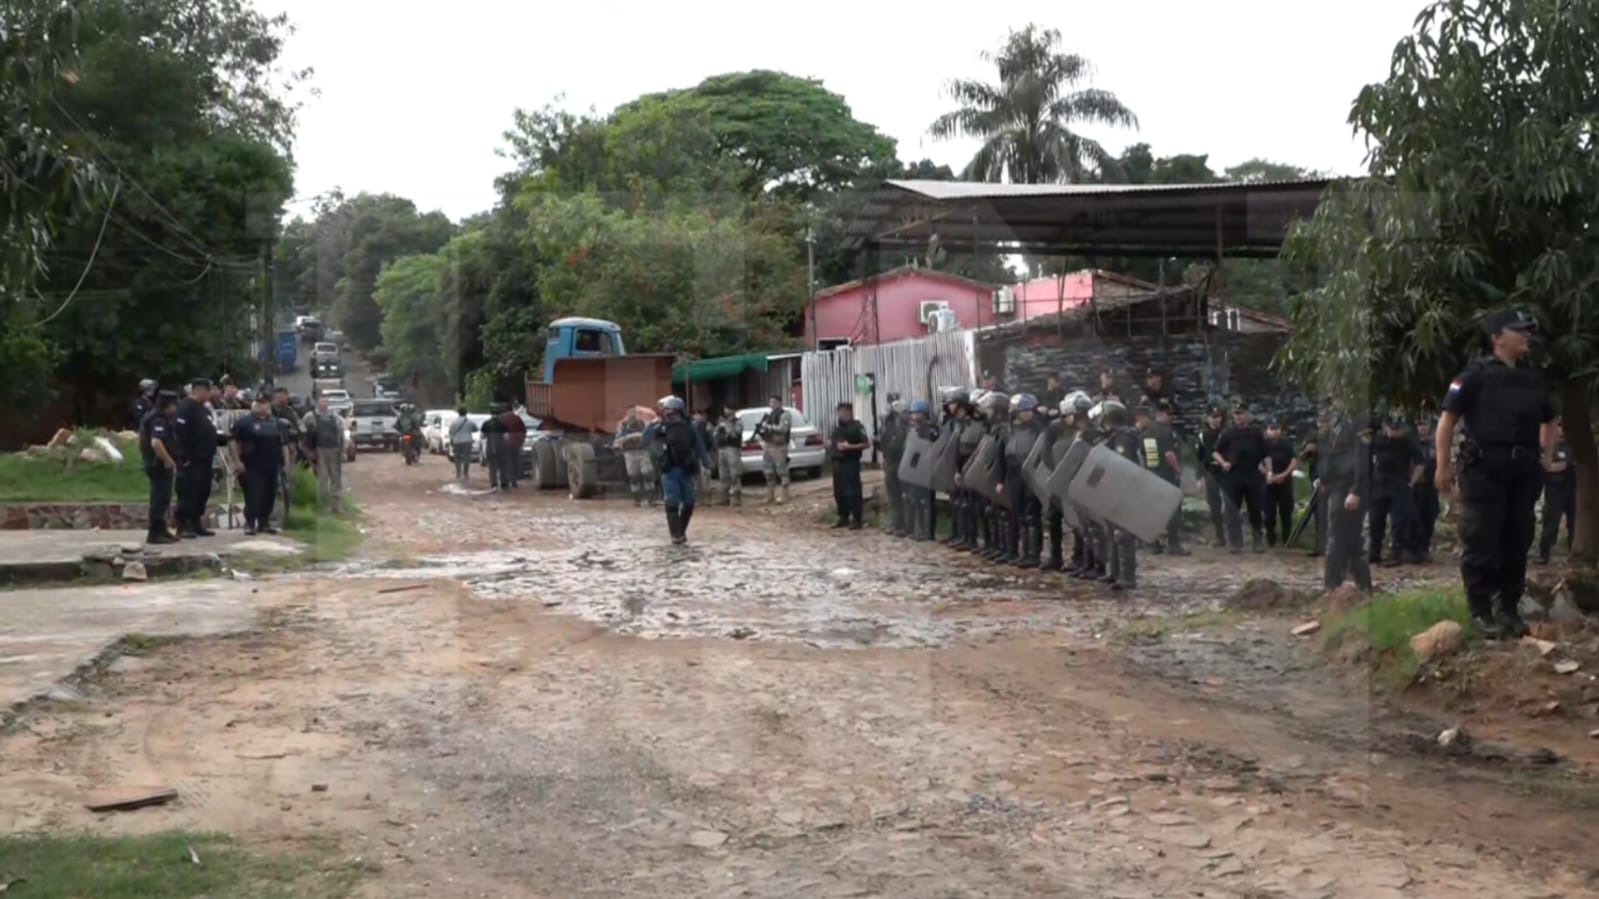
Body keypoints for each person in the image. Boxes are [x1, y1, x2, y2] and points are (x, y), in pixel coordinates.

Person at [1435, 308, 1555, 639]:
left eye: (1529, 330)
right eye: (1519, 330)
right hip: (1485, 470)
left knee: (1517, 540)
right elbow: (1447, 421)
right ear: (1497, 337)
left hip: (1523, 471)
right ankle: (1480, 610)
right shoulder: (1474, 376)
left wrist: (1545, 457)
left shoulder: (1534, 379)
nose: (1527, 335)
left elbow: (1550, 420)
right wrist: (1442, 466)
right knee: (1481, 539)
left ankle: (1509, 610)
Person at [646, 396, 710, 544]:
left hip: (686, 468)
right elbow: (646, 440)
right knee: (672, 501)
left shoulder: (690, 426)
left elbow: (699, 445)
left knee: (689, 502)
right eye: (666, 410)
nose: (667, 412)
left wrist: (706, 462)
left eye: (669, 409)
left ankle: (680, 530)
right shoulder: (660, 426)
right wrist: (651, 426)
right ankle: (676, 534)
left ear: (677, 410)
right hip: (670, 468)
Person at [1322, 412, 1374, 592]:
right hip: (1337, 486)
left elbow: (1362, 459)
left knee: (1340, 538)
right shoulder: (1339, 422)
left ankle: (1336, 584)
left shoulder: (1359, 422)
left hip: (1348, 488)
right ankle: (1353, 586)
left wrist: (1355, 491)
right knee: (1347, 538)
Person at [1099, 400, 1144, 590]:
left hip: (1125, 491)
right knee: (1110, 532)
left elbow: (1122, 465)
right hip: (1112, 490)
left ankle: (1127, 576)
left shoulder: (1124, 438)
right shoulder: (1112, 437)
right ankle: (1114, 572)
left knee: (1123, 534)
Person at [232, 395, 293, 535]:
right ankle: (250, 523)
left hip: (272, 464)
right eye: (259, 404)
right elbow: (235, 443)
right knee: (253, 494)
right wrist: (237, 461)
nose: (262, 407)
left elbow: (284, 444)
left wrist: (286, 464)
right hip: (252, 464)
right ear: (254, 406)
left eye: (265, 404)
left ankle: (264, 522)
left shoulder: (277, 423)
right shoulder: (245, 422)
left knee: (269, 494)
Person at [1212, 403, 1268, 553]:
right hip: (1232, 477)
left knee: (1255, 509)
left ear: (1247, 415)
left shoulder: (1256, 432)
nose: (1238, 417)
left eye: (1241, 413)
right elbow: (1216, 452)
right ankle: (1236, 542)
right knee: (1231, 510)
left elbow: (1265, 454)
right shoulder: (1228, 433)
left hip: (1252, 475)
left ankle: (1258, 541)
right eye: (1236, 414)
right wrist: (1223, 463)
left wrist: (1269, 471)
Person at [1369, 415, 1423, 565]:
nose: (1394, 433)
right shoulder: (1377, 439)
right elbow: (1366, 460)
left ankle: (1396, 554)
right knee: (1375, 520)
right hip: (1379, 483)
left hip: (1399, 484)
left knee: (1399, 522)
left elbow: (1420, 462)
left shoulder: (1408, 440)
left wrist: (1411, 482)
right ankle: (1374, 551)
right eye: (1391, 428)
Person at [1136, 403, 1188, 555]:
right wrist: (1179, 471)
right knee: (1173, 510)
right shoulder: (1165, 432)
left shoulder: (1145, 434)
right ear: (1162, 414)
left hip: (1152, 475)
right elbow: (1169, 455)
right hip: (1167, 475)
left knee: (1154, 511)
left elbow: (1144, 457)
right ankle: (1173, 544)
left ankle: (1153, 543)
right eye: (1170, 415)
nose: (1171, 418)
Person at [173, 378, 220, 538]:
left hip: (205, 458)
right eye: (208, 390)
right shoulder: (185, 407)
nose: (210, 394)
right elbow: (180, 433)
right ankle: (182, 524)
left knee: (202, 491)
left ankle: (195, 522)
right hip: (191, 459)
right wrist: (183, 456)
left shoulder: (204, 409)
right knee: (188, 492)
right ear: (199, 390)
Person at [1003, 394, 1046, 566]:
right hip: (1014, 473)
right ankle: (1023, 551)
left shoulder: (1038, 429)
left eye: (1029, 410)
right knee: (1019, 514)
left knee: (1032, 515)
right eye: (1024, 411)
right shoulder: (1008, 429)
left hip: (1031, 473)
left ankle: (1033, 554)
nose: (1028, 414)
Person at [139, 391, 181, 544]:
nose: (176, 409)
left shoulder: (159, 417)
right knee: (159, 498)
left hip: (159, 464)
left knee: (164, 497)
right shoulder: (158, 419)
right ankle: (154, 533)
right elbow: (156, 442)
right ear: (168, 406)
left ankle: (161, 529)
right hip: (158, 464)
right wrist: (168, 460)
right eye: (175, 405)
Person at [1537, 416, 1576, 565]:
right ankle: (1544, 553)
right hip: (1555, 489)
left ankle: (1574, 552)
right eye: (1559, 425)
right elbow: (1545, 466)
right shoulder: (1550, 446)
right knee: (1550, 523)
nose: (1562, 429)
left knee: (1574, 523)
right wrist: (1560, 467)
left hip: (1572, 488)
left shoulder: (1574, 446)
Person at [830, 402, 872, 529]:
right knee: (839, 491)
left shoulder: (856, 426)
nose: (842, 415)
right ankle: (843, 516)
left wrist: (850, 447)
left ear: (849, 413)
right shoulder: (837, 428)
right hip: (837, 463)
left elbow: (866, 444)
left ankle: (857, 519)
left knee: (853, 491)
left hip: (850, 462)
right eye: (840, 412)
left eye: (844, 412)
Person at [302, 395, 347, 513]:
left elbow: (340, 434)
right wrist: (308, 452)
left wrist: (342, 451)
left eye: (326, 402)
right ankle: (325, 505)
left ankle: (337, 505)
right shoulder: (310, 417)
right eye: (322, 402)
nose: (324, 404)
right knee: (322, 479)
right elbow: (304, 436)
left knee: (336, 478)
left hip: (334, 450)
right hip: (319, 450)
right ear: (317, 403)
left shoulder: (335, 417)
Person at [902, 400, 939, 541]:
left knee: (926, 502)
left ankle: (929, 532)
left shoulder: (930, 430)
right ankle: (921, 529)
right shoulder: (913, 429)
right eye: (913, 413)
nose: (914, 416)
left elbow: (930, 449)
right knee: (916, 500)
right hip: (914, 469)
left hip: (926, 468)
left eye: (917, 413)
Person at [1261, 420, 1298, 548]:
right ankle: (1270, 539)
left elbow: (1294, 461)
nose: (1275, 431)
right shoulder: (1262, 444)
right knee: (1269, 513)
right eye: (1272, 428)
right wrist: (1268, 474)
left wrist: (1284, 474)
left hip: (1285, 481)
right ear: (1266, 430)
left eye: (1277, 428)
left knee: (1286, 511)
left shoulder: (1286, 443)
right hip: (1268, 482)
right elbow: (1257, 462)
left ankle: (1287, 539)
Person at [1410, 417, 1441, 563]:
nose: (1422, 428)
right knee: (1415, 517)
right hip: (1415, 486)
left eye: (1425, 425)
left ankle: (1424, 548)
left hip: (1430, 486)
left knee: (1430, 515)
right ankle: (1414, 549)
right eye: (1419, 424)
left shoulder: (1435, 445)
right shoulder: (1411, 443)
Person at [1196, 407, 1228, 546]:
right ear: (1208, 418)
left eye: (1218, 416)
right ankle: (1219, 536)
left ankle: (1233, 535)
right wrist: (1199, 477)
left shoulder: (1226, 433)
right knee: (1214, 505)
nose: (1215, 419)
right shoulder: (1204, 435)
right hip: (1211, 471)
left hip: (1227, 470)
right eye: (1212, 417)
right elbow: (1200, 457)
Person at [755, 395, 793, 505]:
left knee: (782, 470)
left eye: (774, 402)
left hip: (779, 445)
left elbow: (783, 429)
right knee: (768, 471)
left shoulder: (785, 415)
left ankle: (785, 495)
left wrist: (769, 427)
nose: (772, 404)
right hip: (768, 444)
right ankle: (770, 495)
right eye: (771, 402)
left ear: (780, 403)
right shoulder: (770, 415)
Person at [878, 396, 908, 534]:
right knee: (893, 495)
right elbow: (883, 441)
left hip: (902, 461)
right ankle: (896, 523)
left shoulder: (905, 422)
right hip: (890, 461)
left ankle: (905, 525)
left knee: (905, 495)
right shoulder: (886, 422)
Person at [614, 406, 655, 506]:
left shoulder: (643, 423)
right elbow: (618, 439)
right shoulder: (622, 425)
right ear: (627, 413)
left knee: (648, 475)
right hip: (630, 453)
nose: (632, 414)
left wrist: (642, 436)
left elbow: (650, 434)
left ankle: (651, 500)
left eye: (634, 412)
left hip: (643, 451)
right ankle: (637, 501)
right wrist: (629, 437)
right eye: (630, 412)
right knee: (634, 477)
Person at [711, 408, 744, 507]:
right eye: (725, 409)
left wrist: (727, 425)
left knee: (734, 474)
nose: (725, 411)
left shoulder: (737, 422)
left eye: (728, 409)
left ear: (732, 410)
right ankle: (724, 498)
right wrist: (718, 427)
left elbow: (735, 434)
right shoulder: (722, 422)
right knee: (723, 475)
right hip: (722, 448)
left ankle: (736, 499)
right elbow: (714, 434)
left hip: (732, 448)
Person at [479, 404, 508, 490]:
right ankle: (503, 484)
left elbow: (482, 436)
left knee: (492, 468)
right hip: (501, 448)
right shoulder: (502, 424)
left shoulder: (485, 424)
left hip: (490, 448)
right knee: (502, 466)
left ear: (490, 414)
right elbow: (506, 437)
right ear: (499, 415)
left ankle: (494, 485)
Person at [500, 405, 527, 487]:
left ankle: (507, 480)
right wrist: (521, 441)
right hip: (516, 444)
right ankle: (514, 480)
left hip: (505, 444)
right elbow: (524, 430)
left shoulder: (501, 418)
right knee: (515, 461)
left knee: (507, 462)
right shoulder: (517, 418)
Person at [448, 406, 476, 482]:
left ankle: (458, 472)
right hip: (467, 441)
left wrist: (452, 440)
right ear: (466, 413)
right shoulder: (470, 422)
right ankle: (465, 473)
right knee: (466, 457)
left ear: (458, 413)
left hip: (457, 441)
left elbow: (450, 432)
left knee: (457, 458)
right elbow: (475, 429)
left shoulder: (454, 422)